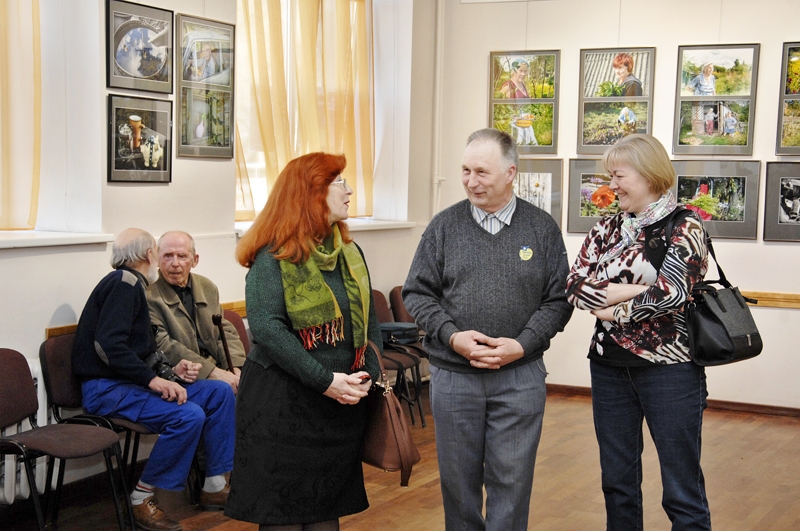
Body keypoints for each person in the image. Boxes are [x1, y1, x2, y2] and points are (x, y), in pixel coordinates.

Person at [402, 128, 573, 531]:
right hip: (454, 378)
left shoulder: (541, 229)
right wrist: (451, 335)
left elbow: (559, 300)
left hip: (520, 376)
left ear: (510, 173)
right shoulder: (443, 228)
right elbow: (417, 294)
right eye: (465, 171)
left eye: (482, 172)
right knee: (458, 487)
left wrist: (523, 343)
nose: (471, 181)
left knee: (511, 484)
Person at [225, 153, 382, 531]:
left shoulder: (350, 253)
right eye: (338, 182)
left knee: (325, 513)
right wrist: (326, 381)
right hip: (283, 409)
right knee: (283, 518)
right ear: (311, 193)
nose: (348, 190)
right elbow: (266, 330)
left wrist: (366, 378)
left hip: (338, 408)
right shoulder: (272, 257)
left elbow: (370, 323)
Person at [565, 134, 711, 530]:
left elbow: (675, 293)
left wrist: (612, 308)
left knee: (682, 489)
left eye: (618, 175)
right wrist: (641, 292)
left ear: (648, 174)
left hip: (671, 371)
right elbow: (574, 286)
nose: (611, 185)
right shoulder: (607, 226)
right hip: (609, 367)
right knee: (618, 483)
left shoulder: (685, 223)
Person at [72, 228, 235, 531]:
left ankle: (214, 486)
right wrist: (153, 381)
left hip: (127, 384)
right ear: (150, 255)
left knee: (218, 393)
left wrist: (173, 373)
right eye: (162, 253)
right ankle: (141, 497)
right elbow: (109, 346)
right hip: (106, 389)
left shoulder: (130, 284)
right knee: (188, 416)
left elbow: (142, 349)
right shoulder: (125, 284)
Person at [147, 230, 246, 394]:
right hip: (183, 376)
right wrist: (214, 373)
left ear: (195, 260)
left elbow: (224, 330)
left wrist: (234, 367)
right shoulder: (148, 294)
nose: (175, 263)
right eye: (167, 256)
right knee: (222, 391)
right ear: (157, 259)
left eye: (182, 256)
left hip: (219, 367)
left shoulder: (207, 287)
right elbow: (164, 345)